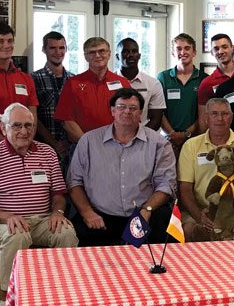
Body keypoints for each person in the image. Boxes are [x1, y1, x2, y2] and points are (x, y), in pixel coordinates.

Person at [0, 104, 78, 306]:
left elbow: (59, 194)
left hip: (42, 219)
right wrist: (8, 216)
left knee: (67, 232)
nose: (24, 131)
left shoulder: (47, 152)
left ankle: (61, 302)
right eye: (17, 126)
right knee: (17, 234)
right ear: (3, 128)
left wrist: (57, 213)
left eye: (29, 125)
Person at [67, 88, 175, 246]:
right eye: (121, 107)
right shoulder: (88, 141)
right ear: (112, 111)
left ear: (140, 114)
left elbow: (167, 184)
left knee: (159, 249)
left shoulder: (159, 144)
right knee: (89, 258)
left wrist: (147, 209)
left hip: (145, 213)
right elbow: (74, 182)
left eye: (133, 108)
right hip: (100, 216)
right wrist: (86, 212)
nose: (127, 112)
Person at [178, 98, 234, 242]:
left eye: (225, 114)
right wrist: (199, 216)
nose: (220, 119)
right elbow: (185, 187)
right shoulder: (191, 146)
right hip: (203, 209)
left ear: (231, 118)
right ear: (206, 118)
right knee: (188, 229)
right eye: (214, 114)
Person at [54, 37, 132, 147]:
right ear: (85, 56)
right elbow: (66, 120)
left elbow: (130, 115)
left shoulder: (123, 83)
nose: (97, 55)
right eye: (92, 52)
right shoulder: (73, 83)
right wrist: (89, 144)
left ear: (109, 54)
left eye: (102, 51)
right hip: (83, 146)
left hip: (117, 146)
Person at [0, 22, 37, 146]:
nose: (7, 45)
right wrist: (6, 145)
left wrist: (26, 141)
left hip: (24, 145)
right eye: (1, 41)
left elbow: (33, 115)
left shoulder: (25, 78)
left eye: (10, 41)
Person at [158, 33, 206, 153]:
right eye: (178, 49)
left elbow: (204, 113)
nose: (183, 52)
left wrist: (187, 133)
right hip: (168, 139)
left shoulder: (204, 79)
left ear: (194, 52)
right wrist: (172, 133)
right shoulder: (163, 78)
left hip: (195, 139)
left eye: (187, 48)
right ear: (173, 53)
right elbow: (158, 110)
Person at [31, 31, 70, 166]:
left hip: (70, 147)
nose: (58, 52)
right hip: (42, 147)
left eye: (61, 48)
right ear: (44, 49)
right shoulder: (33, 79)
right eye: (52, 48)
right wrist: (53, 143)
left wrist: (67, 142)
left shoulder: (74, 80)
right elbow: (32, 116)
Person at [116, 37, 167, 130]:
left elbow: (156, 119)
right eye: (125, 52)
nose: (130, 55)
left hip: (144, 138)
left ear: (139, 56)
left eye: (134, 51)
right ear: (117, 56)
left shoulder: (153, 83)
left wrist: (137, 136)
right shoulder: (109, 82)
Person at [197, 33, 234, 115]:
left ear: (232, 48)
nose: (220, 51)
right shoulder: (206, 84)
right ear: (211, 52)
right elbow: (203, 119)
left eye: (224, 47)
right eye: (216, 49)